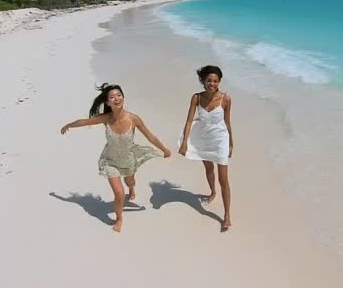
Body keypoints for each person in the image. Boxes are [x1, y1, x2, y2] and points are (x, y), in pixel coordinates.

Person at [61, 83, 171, 232]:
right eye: (112, 97)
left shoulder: (133, 118)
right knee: (119, 193)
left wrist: (164, 149)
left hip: (127, 159)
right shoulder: (106, 118)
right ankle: (119, 219)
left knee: (129, 181)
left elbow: (150, 135)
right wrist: (69, 125)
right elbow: (85, 122)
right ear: (107, 102)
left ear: (123, 97)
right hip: (110, 161)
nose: (116, 98)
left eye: (119, 95)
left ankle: (132, 189)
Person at [178, 65, 234, 231]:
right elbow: (189, 121)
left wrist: (231, 142)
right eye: (209, 80)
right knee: (209, 169)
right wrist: (184, 142)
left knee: (223, 178)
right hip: (203, 139)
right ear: (203, 81)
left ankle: (227, 214)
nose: (212, 83)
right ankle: (212, 192)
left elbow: (228, 122)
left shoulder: (226, 99)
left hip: (220, 140)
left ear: (219, 82)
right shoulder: (196, 98)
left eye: (215, 81)